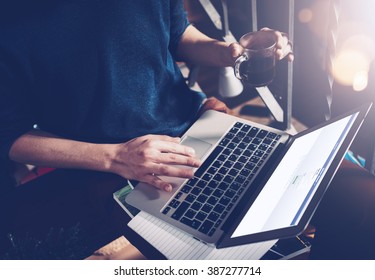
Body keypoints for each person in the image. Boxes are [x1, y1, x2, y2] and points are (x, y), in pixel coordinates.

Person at [1, 1, 374, 259]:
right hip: (109, 165)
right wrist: (116, 157)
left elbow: (176, 34)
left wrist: (228, 53)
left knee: (361, 198)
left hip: (199, 125)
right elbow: (11, 137)